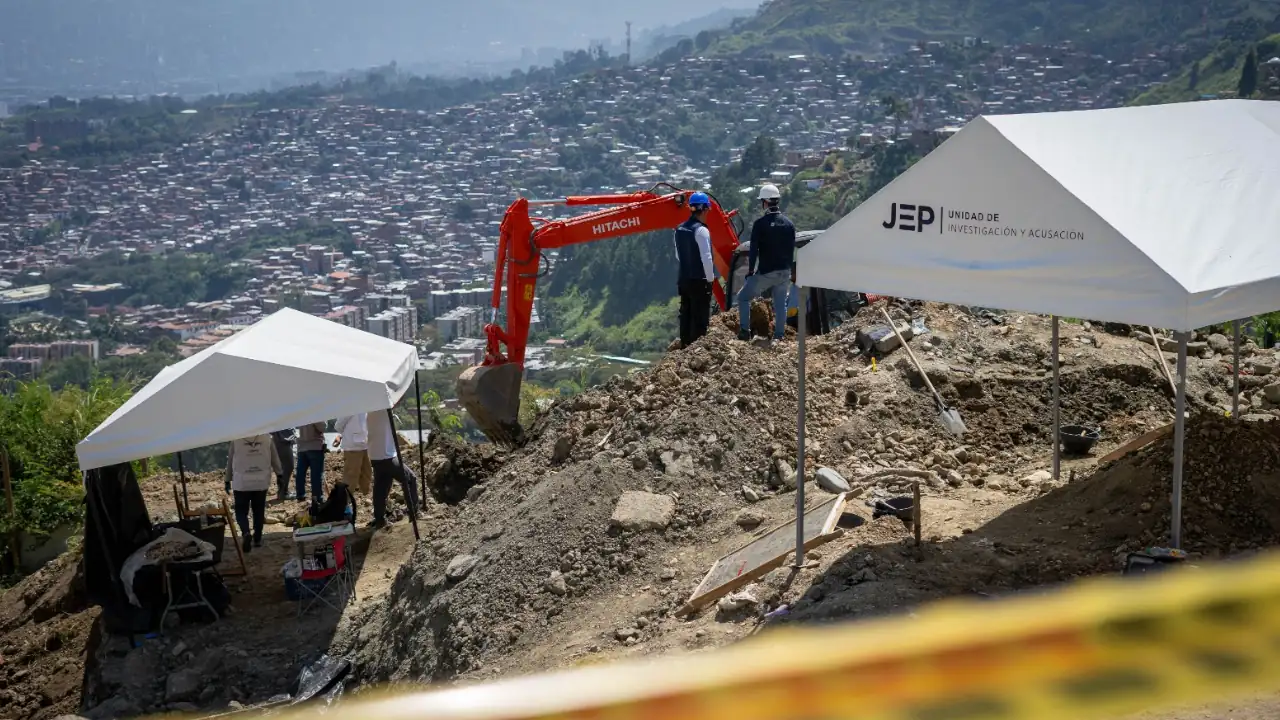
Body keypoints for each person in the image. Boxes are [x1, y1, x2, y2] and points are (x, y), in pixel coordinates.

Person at [738, 183, 796, 343]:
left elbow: (753, 251)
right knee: (780, 304)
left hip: (767, 272)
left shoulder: (760, 224)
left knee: (743, 297)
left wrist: (751, 271)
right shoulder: (789, 224)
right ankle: (779, 336)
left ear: (765, 202)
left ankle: (744, 332)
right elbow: (791, 249)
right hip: (784, 271)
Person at [225, 433, 282, 553]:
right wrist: (279, 474)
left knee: (241, 511)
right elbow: (274, 458)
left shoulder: (236, 439)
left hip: (242, 482)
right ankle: (257, 538)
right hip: (261, 480)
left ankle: (246, 532)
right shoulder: (267, 438)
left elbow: (230, 459)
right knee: (258, 510)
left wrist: (227, 479)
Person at [674, 191, 717, 348]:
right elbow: (707, 257)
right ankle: (697, 350)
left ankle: (685, 346)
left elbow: (678, 255)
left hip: (684, 279)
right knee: (700, 317)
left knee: (685, 313)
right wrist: (710, 279)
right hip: (700, 281)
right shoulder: (701, 230)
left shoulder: (679, 229)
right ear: (704, 209)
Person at [367, 410, 419, 529]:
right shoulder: (383, 408)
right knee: (410, 479)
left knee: (381, 487)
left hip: (375, 455)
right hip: (387, 456)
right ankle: (414, 514)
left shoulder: (370, 411)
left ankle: (380, 520)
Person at [334, 413, 373, 495]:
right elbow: (338, 426)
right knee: (351, 476)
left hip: (363, 445)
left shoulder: (365, 408)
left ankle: (365, 495)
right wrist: (344, 435)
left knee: (367, 473)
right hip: (352, 447)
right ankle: (345, 499)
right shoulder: (349, 407)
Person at [295, 420, 328, 503]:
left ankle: (300, 495)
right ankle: (317, 497)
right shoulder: (316, 413)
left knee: (300, 472)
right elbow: (322, 427)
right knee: (316, 474)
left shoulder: (301, 413)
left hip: (302, 446)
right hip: (315, 446)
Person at [270, 428, 296, 501]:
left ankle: (282, 491)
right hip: (283, 439)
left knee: (283, 467)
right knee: (288, 466)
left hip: (282, 439)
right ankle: (283, 493)